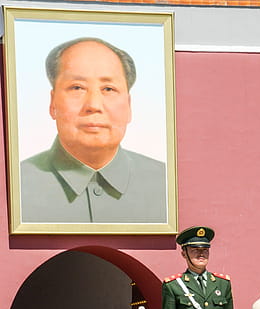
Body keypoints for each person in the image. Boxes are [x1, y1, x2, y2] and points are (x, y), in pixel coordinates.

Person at [20, 37, 166, 224]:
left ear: (129, 106)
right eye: (77, 87)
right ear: (52, 103)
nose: (93, 105)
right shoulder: (17, 184)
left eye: (108, 89)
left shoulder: (165, 185)